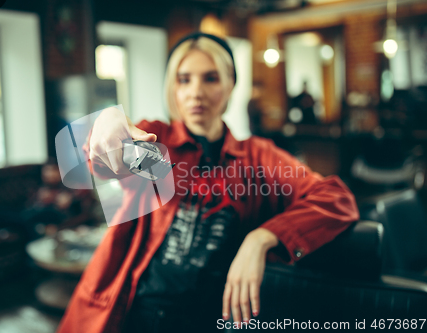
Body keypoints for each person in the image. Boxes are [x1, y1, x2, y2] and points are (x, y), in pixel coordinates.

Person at [57, 32, 359, 333]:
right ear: (172, 87)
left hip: (213, 318)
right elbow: (104, 162)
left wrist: (262, 238)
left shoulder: (257, 158)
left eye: (211, 78)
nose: (196, 92)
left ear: (231, 85)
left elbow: (337, 198)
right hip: (134, 312)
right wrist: (107, 120)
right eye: (184, 79)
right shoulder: (156, 142)